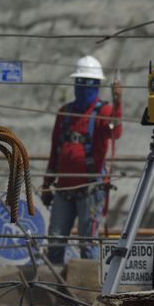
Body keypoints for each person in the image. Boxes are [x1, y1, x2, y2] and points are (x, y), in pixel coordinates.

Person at [42, 55, 123, 264]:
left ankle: (90, 290)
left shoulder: (103, 112)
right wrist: (47, 185)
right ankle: (54, 289)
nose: (84, 87)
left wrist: (118, 102)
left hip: (90, 190)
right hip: (63, 190)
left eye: (89, 83)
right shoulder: (65, 113)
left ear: (97, 85)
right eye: (81, 82)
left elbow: (116, 133)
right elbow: (55, 152)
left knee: (88, 244)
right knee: (56, 241)